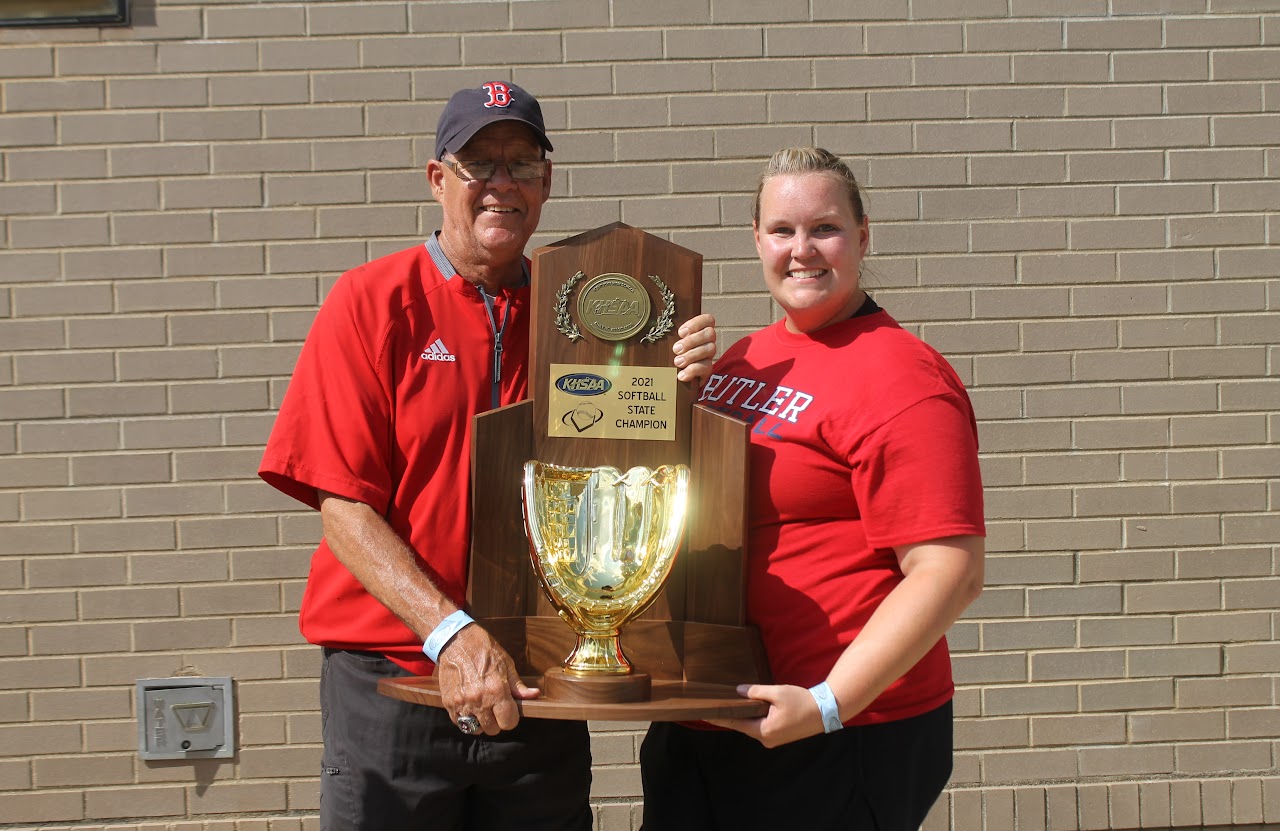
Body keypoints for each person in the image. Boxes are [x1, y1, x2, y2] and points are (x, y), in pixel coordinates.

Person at [258, 81, 717, 831]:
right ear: (438, 180)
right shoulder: (371, 301)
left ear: (546, 183)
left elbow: (634, 462)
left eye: (521, 163)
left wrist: (680, 384)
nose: (501, 183)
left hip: (536, 676)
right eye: (479, 163)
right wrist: (450, 632)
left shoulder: (581, 315)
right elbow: (343, 506)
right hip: (396, 682)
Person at [639, 146, 986, 831]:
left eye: (824, 228)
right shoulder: (746, 357)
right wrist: (673, 397)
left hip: (836, 730)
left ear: (862, 235)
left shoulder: (903, 377)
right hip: (711, 717)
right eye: (782, 230)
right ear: (757, 240)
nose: (802, 250)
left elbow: (950, 570)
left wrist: (829, 702)